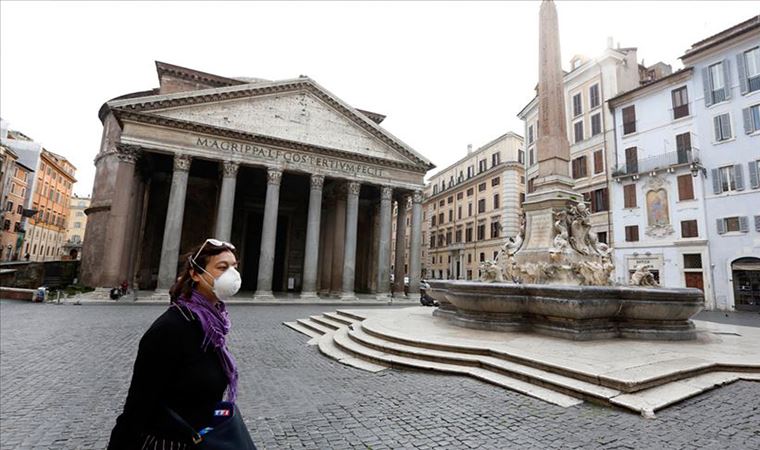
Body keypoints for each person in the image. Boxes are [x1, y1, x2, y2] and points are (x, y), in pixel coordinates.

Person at [108, 239, 242, 449]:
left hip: (201, 439)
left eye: (234, 267)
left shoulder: (213, 328)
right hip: (171, 442)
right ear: (195, 274)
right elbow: (138, 405)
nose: (232, 275)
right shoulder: (172, 328)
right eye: (222, 267)